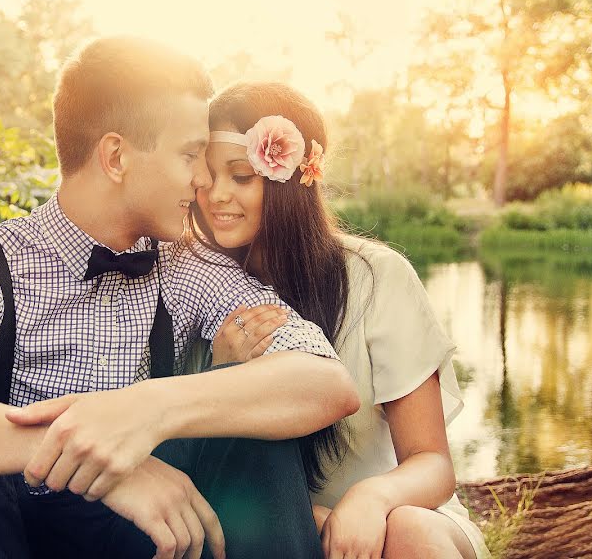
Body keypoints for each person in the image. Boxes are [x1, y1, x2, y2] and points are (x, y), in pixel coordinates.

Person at [0, 38, 358, 559]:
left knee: (251, 414)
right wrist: (84, 453)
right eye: (190, 155)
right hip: (13, 538)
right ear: (116, 157)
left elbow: (324, 381)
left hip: (160, 542)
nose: (202, 181)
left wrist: (144, 412)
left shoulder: (189, 266)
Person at [186, 81, 491, 559]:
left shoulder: (375, 277)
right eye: (207, 177)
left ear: (289, 177)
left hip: (390, 520)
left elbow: (432, 462)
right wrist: (222, 371)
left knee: (412, 531)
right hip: (266, 525)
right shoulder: (191, 283)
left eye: (241, 176)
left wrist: (370, 499)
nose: (217, 196)